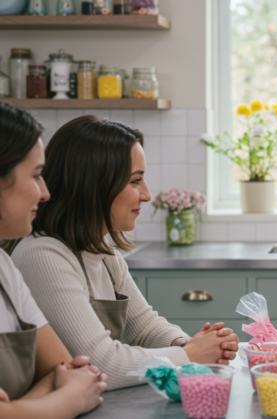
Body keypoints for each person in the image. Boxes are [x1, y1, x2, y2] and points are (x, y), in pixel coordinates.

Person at [12, 115, 239, 390]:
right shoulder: (43, 255)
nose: (146, 194)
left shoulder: (103, 253)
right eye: (135, 181)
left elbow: (144, 328)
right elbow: (103, 362)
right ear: (92, 184)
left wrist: (191, 344)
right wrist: (190, 355)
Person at [0, 102, 107, 417]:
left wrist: (17, 411)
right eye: (35, 176)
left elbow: (65, 369)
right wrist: (69, 400)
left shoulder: (3, 267)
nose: (44, 193)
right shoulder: (38, 252)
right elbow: (73, 385)